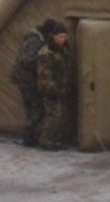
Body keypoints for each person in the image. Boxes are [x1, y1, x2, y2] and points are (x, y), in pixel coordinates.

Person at [11, 18, 57, 147]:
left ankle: (29, 135)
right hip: (26, 80)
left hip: (26, 79)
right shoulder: (35, 41)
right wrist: (45, 59)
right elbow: (28, 60)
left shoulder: (37, 38)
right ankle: (27, 135)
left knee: (32, 108)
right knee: (37, 108)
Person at [36, 22, 74, 151]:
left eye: (64, 36)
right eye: (60, 37)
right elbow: (44, 74)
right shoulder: (46, 53)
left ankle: (55, 140)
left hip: (61, 88)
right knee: (54, 115)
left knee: (62, 115)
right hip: (51, 90)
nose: (63, 39)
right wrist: (52, 89)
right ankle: (46, 141)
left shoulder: (63, 50)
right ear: (54, 37)